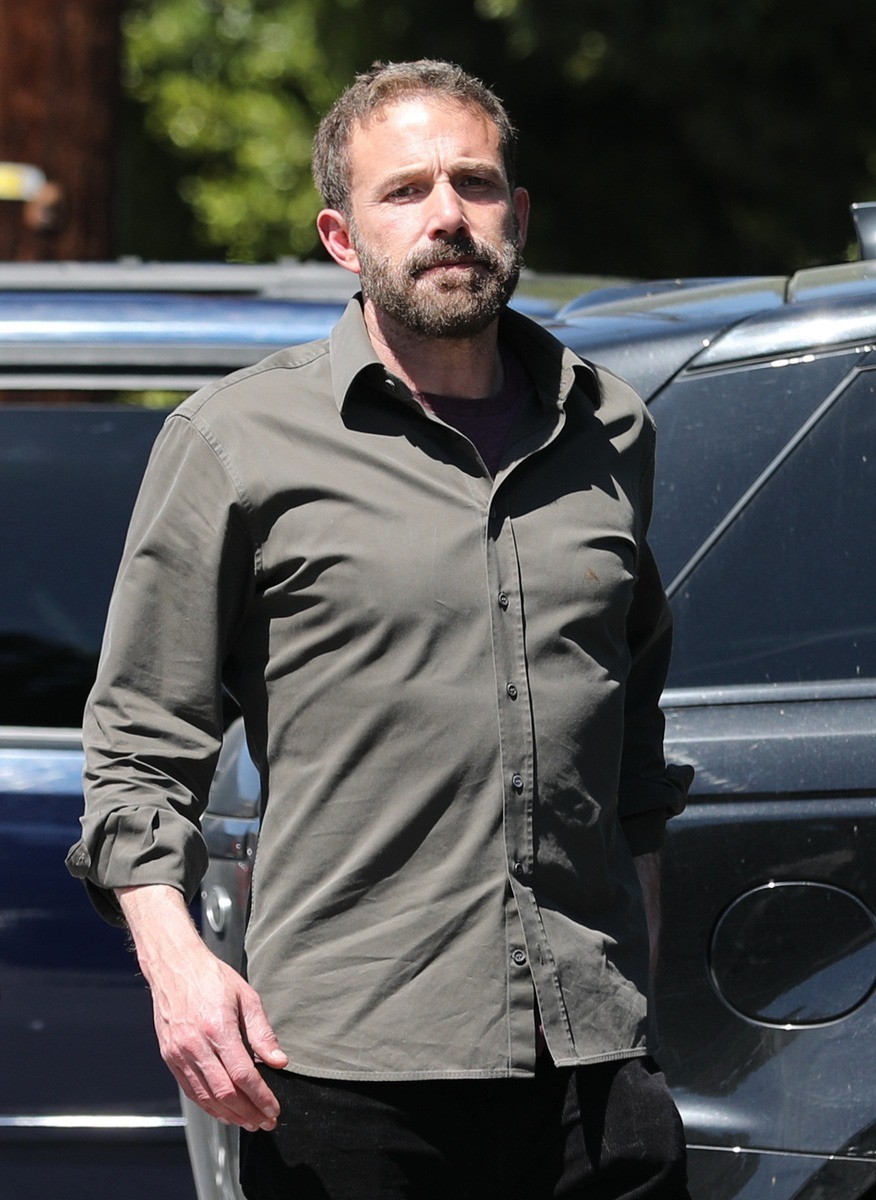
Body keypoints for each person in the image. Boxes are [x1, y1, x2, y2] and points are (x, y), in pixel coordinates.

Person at [67, 59, 693, 1200]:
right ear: (341, 239)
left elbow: (632, 734)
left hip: (598, 1074)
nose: (447, 214)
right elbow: (137, 753)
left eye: (475, 183)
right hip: (350, 1076)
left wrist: (634, 995)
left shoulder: (612, 428)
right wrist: (181, 973)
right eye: (404, 191)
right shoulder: (235, 442)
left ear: (517, 214)